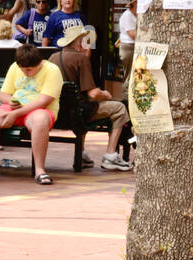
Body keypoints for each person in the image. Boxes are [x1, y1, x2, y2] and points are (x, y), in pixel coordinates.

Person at [50, 24, 134, 169]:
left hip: (58, 111)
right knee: (119, 108)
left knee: (82, 106)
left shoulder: (52, 57)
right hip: (78, 114)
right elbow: (93, 93)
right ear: (80, 42)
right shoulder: (81, 60)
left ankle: (82, 153)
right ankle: (110, 155)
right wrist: (105, 94)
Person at [0, 43, 64, 184]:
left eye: (30, 70)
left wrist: (16, 114)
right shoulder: (15, 67)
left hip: (38, 110)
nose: (26, 73)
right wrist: (11, 101)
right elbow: (3, 94)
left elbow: (43, 102)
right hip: (15, 108)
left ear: (39, 63)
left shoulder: (52, 70)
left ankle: (40, 170)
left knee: (40, 120)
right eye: (23, 70)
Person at [118, 0, 138, 88]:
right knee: (128, 75)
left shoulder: (135, 14)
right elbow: (133, 35)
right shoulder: (127, 15)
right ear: (134, 3)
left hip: (133, 46)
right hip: (128, 47)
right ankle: (125, 98)